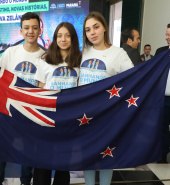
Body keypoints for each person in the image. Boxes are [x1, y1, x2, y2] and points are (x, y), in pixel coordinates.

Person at [0, 12, 46, 185]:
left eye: (34, 28)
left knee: (27, 153)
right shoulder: (11, 52)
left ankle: (25, 182)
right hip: (8, 110)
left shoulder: (45, 57)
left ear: (40, 31)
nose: (31, 31)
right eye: (27, 28)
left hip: (30, 112)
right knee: (0, 153)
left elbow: (43, 86)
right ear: (21, 31)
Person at [79, 12, 134, 185]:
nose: (92, 32)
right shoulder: (83, 52)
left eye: (96, 27)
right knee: (86, 155)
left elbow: (135, 79)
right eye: (88, 30)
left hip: (108, 115)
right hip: (85, 114)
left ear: (104, 28)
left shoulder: (119, 54)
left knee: (106, 156)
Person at [33, 22, 81, 185]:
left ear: (73, 38)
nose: (63, 39)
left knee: (63, 161)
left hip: (69, 117)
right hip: (47, 115)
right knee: (42, 159)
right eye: (59, 36)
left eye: (67, 35)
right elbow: (39, 88)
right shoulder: (45, 59)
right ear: (54, 38)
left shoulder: (80, 60)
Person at [155, 23, 170, 163]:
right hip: (163, 98)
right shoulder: (161, 52)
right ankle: (163, 154)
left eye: (169, 35)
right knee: (162, 126)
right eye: (166, 34)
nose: (166, 37)